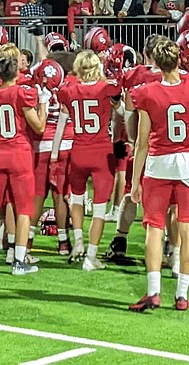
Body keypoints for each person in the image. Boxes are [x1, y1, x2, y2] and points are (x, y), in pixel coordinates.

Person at [128, 37, 189, 311]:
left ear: (156, 63)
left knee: (155, 228)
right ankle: (181, 295)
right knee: (188, 228)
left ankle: (154, 291)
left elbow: (142, 142)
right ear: (180, 60)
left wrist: (135, 180)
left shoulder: (146, 91)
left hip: (159, 163)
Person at [0, 44, 46, 276]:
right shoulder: (21, 93)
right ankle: (18, 261)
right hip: (19, 154)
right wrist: (43, 104)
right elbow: (40, 127)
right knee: (24, 209)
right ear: (16, 71)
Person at [55, 49, 121, 271]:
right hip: (101, 151)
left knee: (76, 199)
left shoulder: (69, 90)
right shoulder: (105, 87)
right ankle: (90, 257)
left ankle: (78, 242)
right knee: (100, 208)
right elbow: (120, 105)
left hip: (78, 150)